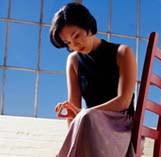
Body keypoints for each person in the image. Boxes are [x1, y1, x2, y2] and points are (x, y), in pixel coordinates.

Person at [50, 2, 137, 157]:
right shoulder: (74, 61)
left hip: (121, 127)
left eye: (76, 36)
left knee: (87, 117)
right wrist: (74, 136)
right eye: (68, 42)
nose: (75, 45)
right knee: (85, 120)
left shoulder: (123, 53)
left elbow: (124, 101)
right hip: (91, 125)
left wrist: (84, 113)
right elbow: (73, 109)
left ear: (88, 26)